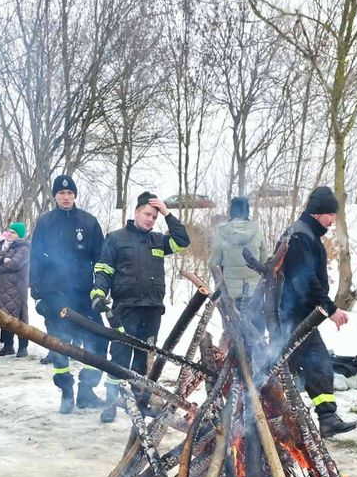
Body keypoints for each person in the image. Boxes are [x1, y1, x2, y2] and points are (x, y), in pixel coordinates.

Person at [91, 190, 190, 423]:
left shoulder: (159, 241)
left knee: (142, 362)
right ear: (136, 212)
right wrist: (99, 293)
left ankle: (137, 402)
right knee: (119, 358)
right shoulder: (116, 238)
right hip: (125, 309)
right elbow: (103, 269)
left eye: (154, 217)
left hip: (152, 310)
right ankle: (111, 404)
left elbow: (183, 241)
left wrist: (167, 213)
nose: (150, 219)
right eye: (147, 214)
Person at [278, 185, 356, 438]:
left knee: (314, 364)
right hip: (291, 316)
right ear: (317, 212)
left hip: (302, 315)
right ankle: (264, 414)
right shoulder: (300, 236)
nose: (333, 220)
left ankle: (327, 417)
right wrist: (330, 309)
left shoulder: (307, 234)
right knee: (284, 367)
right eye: (330, 214)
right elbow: (305, 281)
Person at [30, 174, 104, 414]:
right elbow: (35, 260)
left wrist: (101, 288)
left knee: (100, 341)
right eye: (61, 193)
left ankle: (87, 390)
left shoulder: (89, 222)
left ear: (74, 195)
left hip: (84, 294)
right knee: (59, 345)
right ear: (54, 196)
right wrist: (37, 294)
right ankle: (66, 392)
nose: (66, 197)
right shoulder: (45, 223)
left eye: (70, 193)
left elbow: (101, 259)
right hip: (55, 294)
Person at [209, 195, 268, 306]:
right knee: (253, 323)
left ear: (232, 211)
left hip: (230, 296)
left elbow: (213, 264)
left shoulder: (222, 233)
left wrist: (219, 286)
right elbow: (265, 263)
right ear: (247, 211)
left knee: (233, 323)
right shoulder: (257, 232)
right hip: (255, 294)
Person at [0, 222, 30, 357]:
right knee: (5, 318)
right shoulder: (4, 246)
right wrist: (3, 259)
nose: (9, 234)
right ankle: (8, 345)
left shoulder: (23, 249)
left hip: (17, 289)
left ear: (19, 235)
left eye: (13, 232)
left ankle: (23, 347)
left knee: (20, 319)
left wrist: (0, 266)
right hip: (3, 289)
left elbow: (14, 264)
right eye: (9, 231)